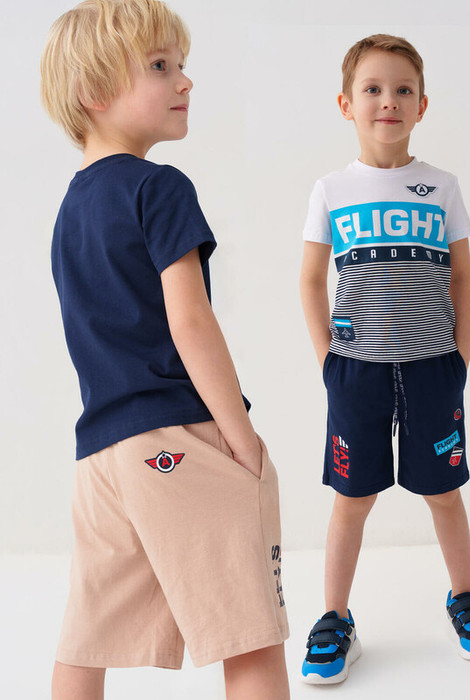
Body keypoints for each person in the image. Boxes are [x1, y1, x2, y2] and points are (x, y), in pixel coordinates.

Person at [40, 1, 289, 698]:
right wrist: (241, 440)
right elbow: (191, 322)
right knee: (248, 628)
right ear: (93, 91)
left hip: (102, 455)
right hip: (178, 436)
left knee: (88, 637)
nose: (185, 81)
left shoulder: (70, 211)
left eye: (181, 65)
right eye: (159, 66)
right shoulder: (160, 187)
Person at [299, 33, 470, 684]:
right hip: (355, 370)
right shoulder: (331, 189)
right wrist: (328, 360)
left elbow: (463, 277)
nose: (387, 101)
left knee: (443, 491)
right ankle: (335, 618)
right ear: (345, 104)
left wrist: (459, 356)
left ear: (421, 105)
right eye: (372, 89)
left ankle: (463, 598)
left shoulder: (441, 187)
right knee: (351, 498)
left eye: (402, 90)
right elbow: (310, 279)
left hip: (432, 367)